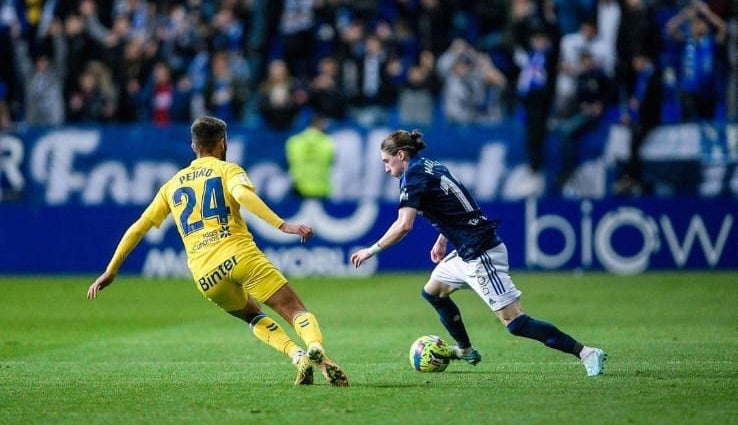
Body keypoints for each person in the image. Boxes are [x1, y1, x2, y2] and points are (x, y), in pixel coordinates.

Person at [86, 116, 348, 387]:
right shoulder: (227, 170)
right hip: (240, 255)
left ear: (193, 146)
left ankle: (297, 356)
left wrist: (111, 270)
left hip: (206, 275)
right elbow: (243, 196)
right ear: (222, 143)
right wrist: (283, 225)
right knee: (294, 310)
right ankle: (315, 346)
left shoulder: (171, 186)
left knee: (251, 314)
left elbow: (137, 228)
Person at [350, 129, 607, 377]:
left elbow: (404, 225)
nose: (386, 168)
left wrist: (371, 250)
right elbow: (455, 203)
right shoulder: (430, 165)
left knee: (516, 323)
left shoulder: (413, 176)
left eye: (387, 161)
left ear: (402, 155)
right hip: (465, 250)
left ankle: (586, 352)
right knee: (433, 292)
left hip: (481, 253)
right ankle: (465, 349)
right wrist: (443, 239)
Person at [285, 115, 335, 198]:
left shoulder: (293, 141)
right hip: (322, 190)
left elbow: (288, 164)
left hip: (298, 189)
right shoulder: (328, 142)